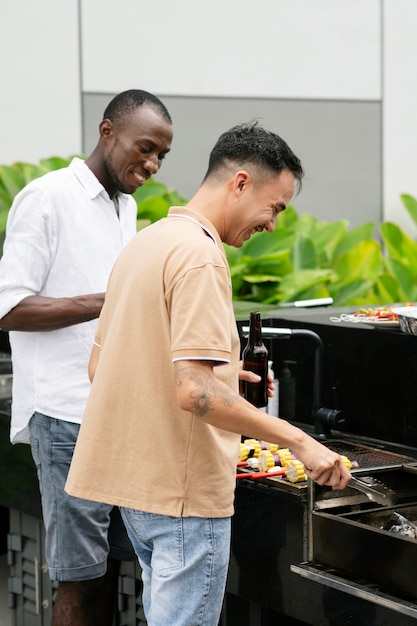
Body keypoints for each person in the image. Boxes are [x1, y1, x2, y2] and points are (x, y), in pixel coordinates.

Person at [65, 121, 351, 626]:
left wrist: (218, 372)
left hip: (139, 489)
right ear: (240, 183)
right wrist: (300, 444)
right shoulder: (201, 256)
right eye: (275, 207)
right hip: (184, 494)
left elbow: (101, 367)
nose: (273, 225)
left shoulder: (146, 243)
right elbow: (194, 392)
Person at [0, 89, 173, 626]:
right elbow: (8, 307)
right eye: (144, 148)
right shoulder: (46, 197)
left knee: (110, 572)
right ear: (107, 132)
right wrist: (109, 298)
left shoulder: (128, 207)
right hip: (65, 418)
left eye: (161, 156)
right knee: (79, 578)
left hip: (117, 418)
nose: (151, 164)